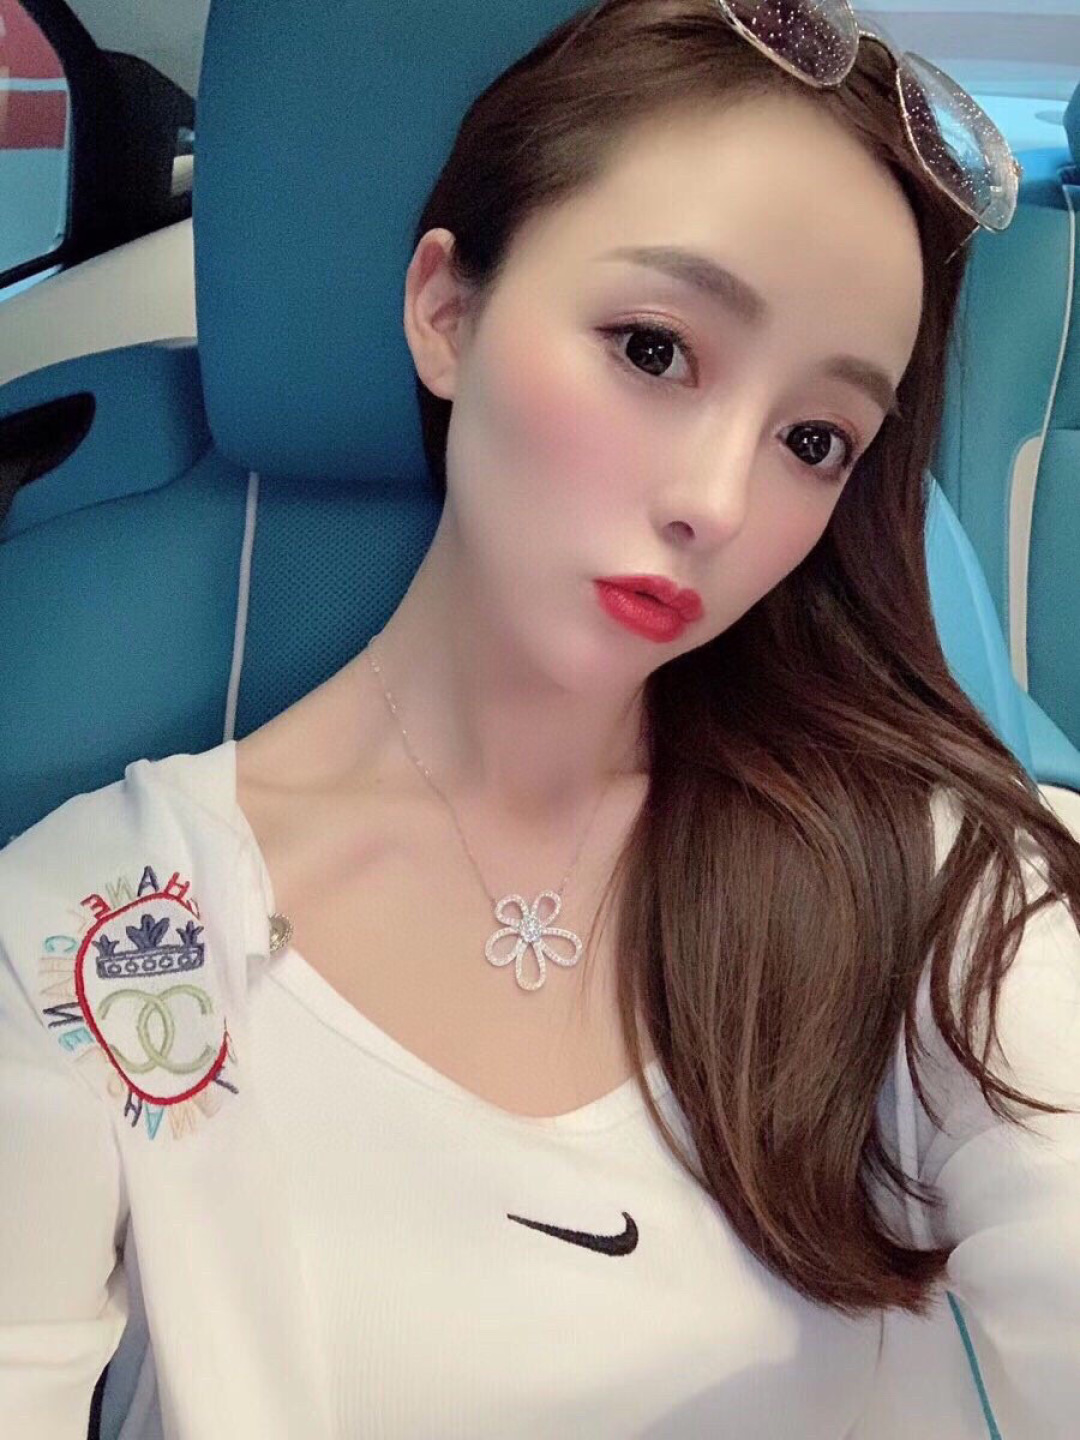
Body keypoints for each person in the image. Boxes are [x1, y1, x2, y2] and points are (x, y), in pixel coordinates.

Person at [2, 2, 1079, 1436]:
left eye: (815, 439)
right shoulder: (87, 933)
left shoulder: (937, 882)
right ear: (446, 311)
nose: (717, 502)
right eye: (653, 349)